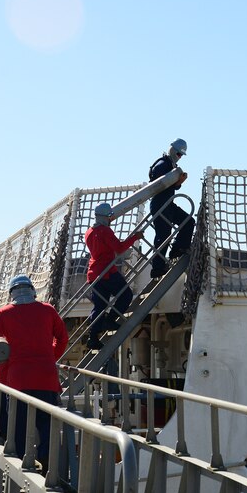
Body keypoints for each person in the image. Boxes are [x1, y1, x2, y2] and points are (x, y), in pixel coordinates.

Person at [0, 274, 68, 468]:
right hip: (46, 377)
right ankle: (47, 462)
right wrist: (51, 356)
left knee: (18, 425)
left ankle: (20, 465)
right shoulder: (47, 310)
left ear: (12, 294)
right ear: (32, 291)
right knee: (47, 425)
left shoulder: (4, 314)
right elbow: (62, 338)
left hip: (18, 379)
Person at [84, 202, 144, 350]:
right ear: (106, 217)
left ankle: (93, 338)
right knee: (125, 295)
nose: (111, 220)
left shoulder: (89, 232)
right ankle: (110, 320)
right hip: (107, 272)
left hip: (93, 274)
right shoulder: (105, 231)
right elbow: (119, 248)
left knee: (100, 306)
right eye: (110, 217)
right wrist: (134, 237)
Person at [148, 138, 195, 278]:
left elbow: (166, 185)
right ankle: (157, 268)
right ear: (173, 151)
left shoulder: (168, 165)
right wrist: (178, 182)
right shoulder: (162, 165)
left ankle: (177, 250)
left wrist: (177, 183)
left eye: (181, 155)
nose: (179, 157)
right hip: (161, 204)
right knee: (162, 237)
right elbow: (159, 185)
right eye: (179, 154)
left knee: (188, 221)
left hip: (167, 204)